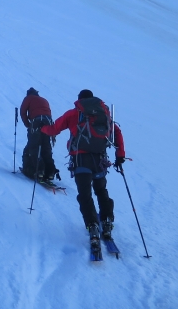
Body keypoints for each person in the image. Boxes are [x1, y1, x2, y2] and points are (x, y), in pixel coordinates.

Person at [41, 89, 125, 245]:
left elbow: (54, 129)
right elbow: (117, 134)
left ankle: (92, 224)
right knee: (101, 191)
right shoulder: (104, 114)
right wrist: (120, 156)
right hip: (99, 161)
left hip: (80, 160)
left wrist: (42, 129)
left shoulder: (74, 114)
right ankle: (106, 221)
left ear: (80, 101)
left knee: (85, 194)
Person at [19, 87, 59, 183]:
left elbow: (23, 112)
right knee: (46, 147)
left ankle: (39, 170)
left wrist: (27, 124)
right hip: (48, 123)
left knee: (34, 147)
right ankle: (50, 172)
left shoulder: (28, 98)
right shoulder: (44, 100)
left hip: (37, 122)